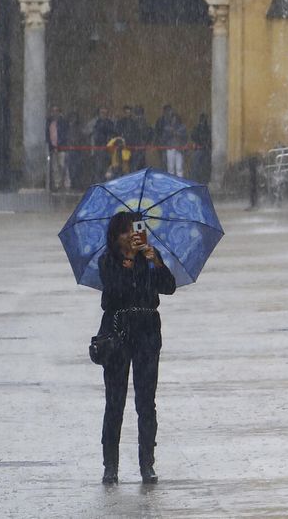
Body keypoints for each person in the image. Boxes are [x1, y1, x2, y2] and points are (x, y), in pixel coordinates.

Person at [96, 211, 176, 485]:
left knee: (146, 402)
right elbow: (112, 296)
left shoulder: (150, 259)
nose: (131, 235)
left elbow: (169, 288)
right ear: (115, 237)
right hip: (118, 336)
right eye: (124, 231)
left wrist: (155, 261)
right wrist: (127, 264)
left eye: (135, 229)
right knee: (114, 402)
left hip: (147, 335)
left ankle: (147, 464)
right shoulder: (107, 261)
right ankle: (110, 464)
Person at [190, 114, 211, 186]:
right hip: (199, 149)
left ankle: (202, 182)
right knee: (197, 168)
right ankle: (198, 182)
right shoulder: (198, 128)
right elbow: (194, 136)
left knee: (203, 168)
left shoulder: (207, 128)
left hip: (204, 150)